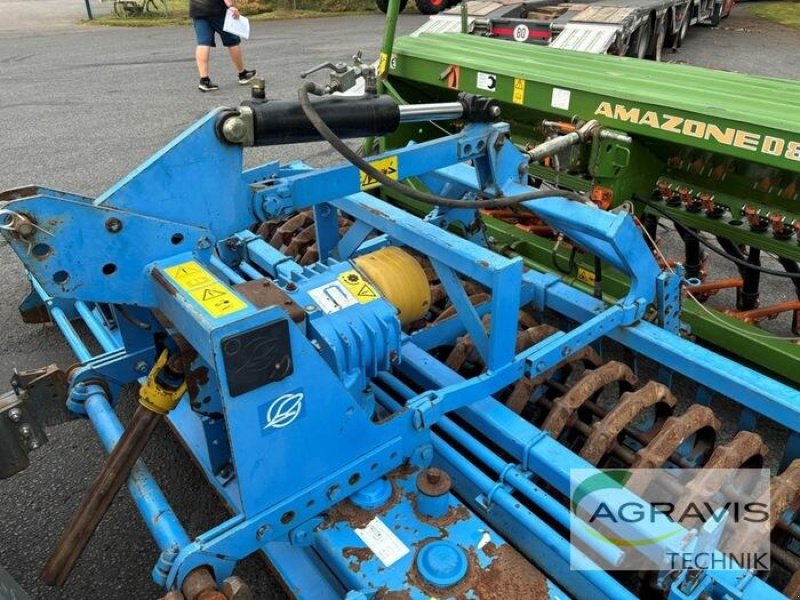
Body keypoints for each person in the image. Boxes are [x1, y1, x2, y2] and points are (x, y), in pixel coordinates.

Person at [189, 0, 256, 92]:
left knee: (203, 43)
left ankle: (204, 80)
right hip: (217, 9)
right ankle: (242, 74)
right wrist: (231, 6)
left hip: (197, 8)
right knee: (232, 41)